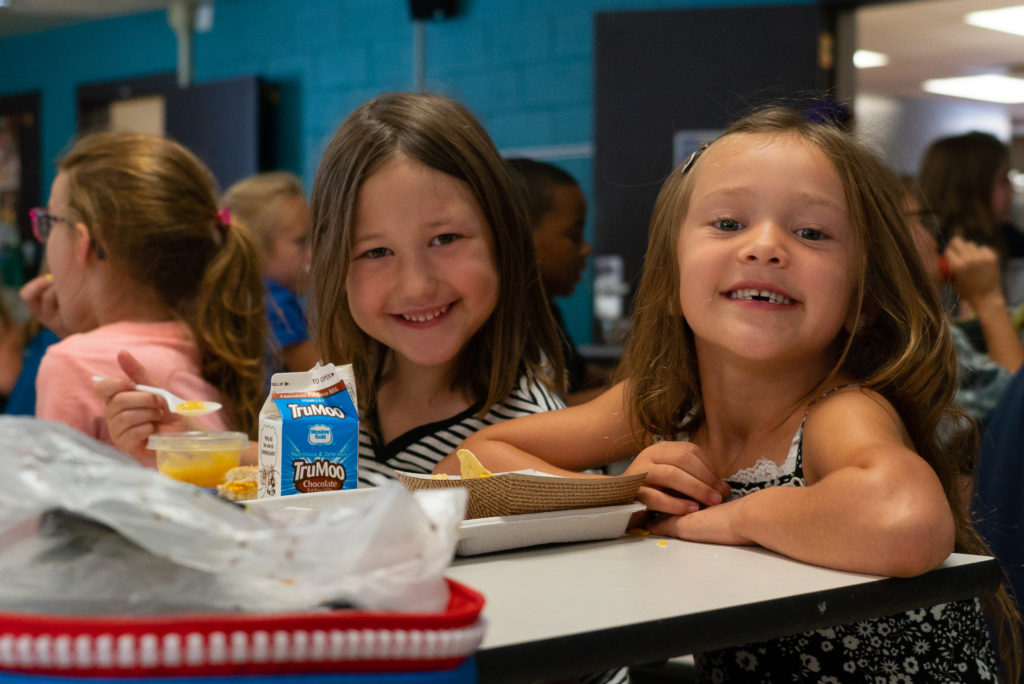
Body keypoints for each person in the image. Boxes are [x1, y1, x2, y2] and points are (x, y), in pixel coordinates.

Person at [436, 106, 1019, 681]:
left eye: (812, 232)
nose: (764, 247)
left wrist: (736, 519)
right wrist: (618, 501)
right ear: (672, 280)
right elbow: (466, 464)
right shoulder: (666, 401)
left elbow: (907, 520)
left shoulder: (839, 411)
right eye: (728, 224)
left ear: (861, 300)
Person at [101, 92, 568, 486]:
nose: (417, 283)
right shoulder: (336, 399)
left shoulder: (533, 427)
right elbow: (290, 472)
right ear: (333, 266)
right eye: (376, 252)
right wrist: (184, 438)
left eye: (445, 239)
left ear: (502, 238)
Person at [24, 131, 265, 458]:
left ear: (84, 243)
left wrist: (77, 344)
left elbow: (54, 505)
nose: (45, 238)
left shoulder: (70, 362)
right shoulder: (205, 340)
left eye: (50, 222)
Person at [902, 176, 1021, 422]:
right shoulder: (912, 338)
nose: (935, 238)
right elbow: (1015, 410)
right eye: (922, 222)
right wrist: (988, 298)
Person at [506, 157, 609, 405]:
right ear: (521, 236)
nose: (586, 249)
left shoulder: (545, 310)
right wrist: (641, 395)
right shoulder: (508, 324)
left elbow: (579, 375)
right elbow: (545, 415)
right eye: (574, 235)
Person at [221, 172, 319, 377]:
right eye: (302, 241)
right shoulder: (274, 303)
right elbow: (319, 374)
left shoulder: (235, 293)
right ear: (256, 247)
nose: (313, 253)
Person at [918, 131, 1024, 306]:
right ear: (970, 189)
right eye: (1003, 181)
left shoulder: (1008, 240)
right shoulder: (940, 254)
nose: (1011, 191)